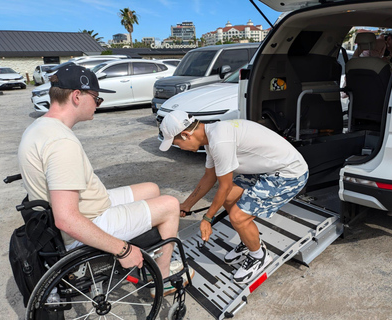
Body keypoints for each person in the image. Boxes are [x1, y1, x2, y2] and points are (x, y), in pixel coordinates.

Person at [17, 65, 193, 296]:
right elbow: (67, 219)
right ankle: (161, 275)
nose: (98, 104)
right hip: (89, 220)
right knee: (170, 204)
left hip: (89, 205)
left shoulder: (40, 127)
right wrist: (123, 250)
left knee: (151, 188)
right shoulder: (61, 143)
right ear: (77, 96)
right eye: (96, 98)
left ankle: (154, 251)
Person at [158, 110, 309, 284]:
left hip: (289, 174)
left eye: (175, 143)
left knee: (238, 217)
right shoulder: (212, 135)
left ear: (185, 135)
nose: (178, 147)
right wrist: (187, 204)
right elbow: (210, 177)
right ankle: (249, 240)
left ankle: (259, 256)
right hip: (267, 169)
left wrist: (207, 218)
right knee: (229, 199)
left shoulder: (219, 141)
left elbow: (225, 185)